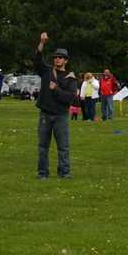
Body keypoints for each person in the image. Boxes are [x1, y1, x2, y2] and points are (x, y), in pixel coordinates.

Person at [34, 33, 78, 179]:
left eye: (60, 57)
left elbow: (70, 98)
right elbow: (37, 59)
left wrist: (56, 89)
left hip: (61, 115)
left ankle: (64, 173)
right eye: (55, 57)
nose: (57, 59)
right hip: (45, 114)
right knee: (42, 147)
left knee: (63, 147)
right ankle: (42, 173)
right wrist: (41, 42)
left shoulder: (70, 78)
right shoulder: (46, 71)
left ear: (65, 60)